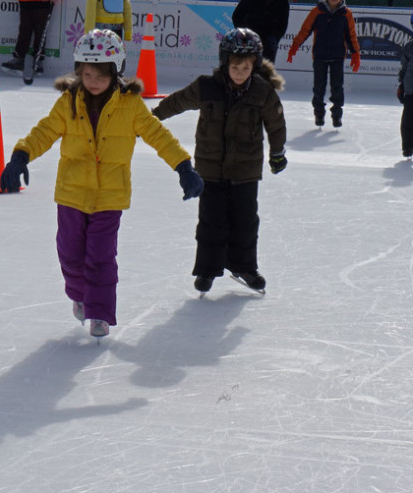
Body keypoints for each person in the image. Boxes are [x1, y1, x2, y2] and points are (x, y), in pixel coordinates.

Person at [0, 29, 203, 339]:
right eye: (87, 73)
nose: (93, 81)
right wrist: (21, 156)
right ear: (79, 71)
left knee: (100, 257)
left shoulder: (130, 105)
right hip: (71, 193)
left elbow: (158, 136)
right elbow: (44, 132)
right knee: (69, 252)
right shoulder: (69, 102)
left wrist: (183, 166)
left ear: (116, 71)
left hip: (110, 195)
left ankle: (100, 313)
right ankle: (80, 295)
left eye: (101, 75)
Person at [152, 28, 287, 295]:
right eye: (235, 66)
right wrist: (151, 118)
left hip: (245, 170)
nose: (240, 71)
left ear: (255, 66)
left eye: (246, 67)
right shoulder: (207, 86)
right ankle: (206, 269)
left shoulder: (262, 91)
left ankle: (245, 267)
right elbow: (177, 101)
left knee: (246, 222)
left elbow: (276, 123)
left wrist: (277, 153)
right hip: (210, 169)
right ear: (225, 63)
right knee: (211, 222)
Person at [287, 0, 360, 128]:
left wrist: (356, 53)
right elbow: (305, 30)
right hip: (320, 56)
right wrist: (295, 45)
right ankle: (319, 114)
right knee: (318, 88)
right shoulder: (317, 12)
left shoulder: (346, 13)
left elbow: (351, 35)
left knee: (337, 88)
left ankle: (337, 115)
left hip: (337, 57)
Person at [2, 0, 58, 74]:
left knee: (40, 31)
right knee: (24, 31)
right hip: (26, 2)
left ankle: (38, 60)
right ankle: (19, 59)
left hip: (43, 3)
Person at [397, 14, 413, 159]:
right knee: (407, 121)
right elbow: (404, 68)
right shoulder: (410, 47)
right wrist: (401, 85)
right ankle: (407, 147)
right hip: (410, 91)